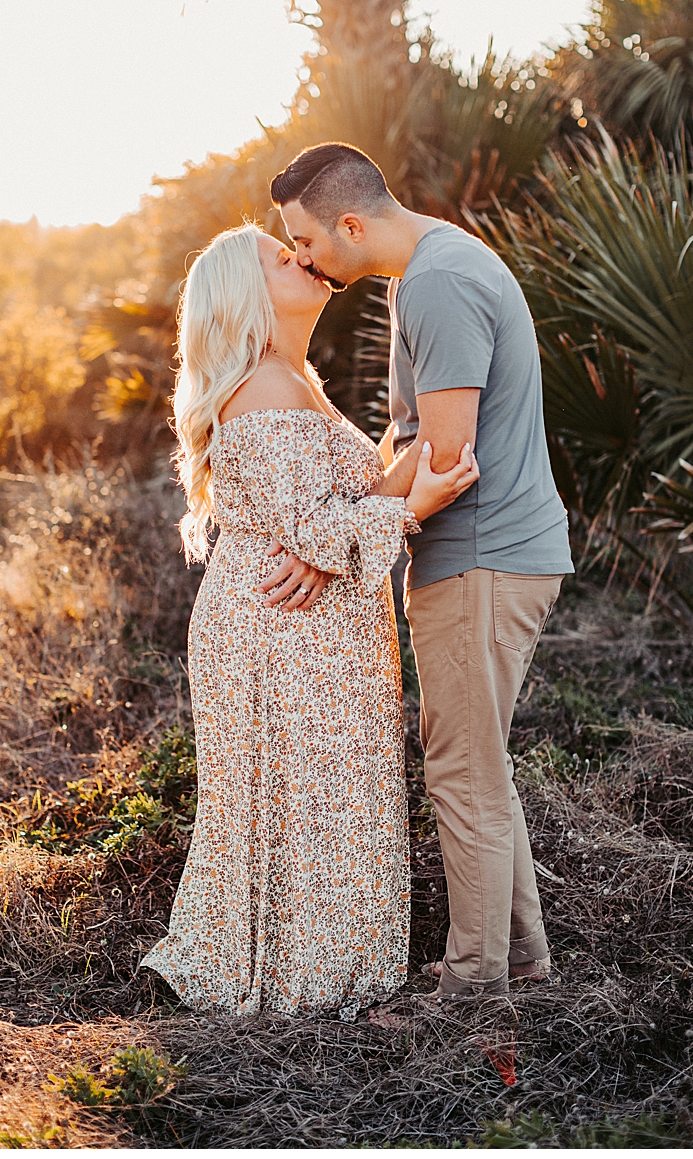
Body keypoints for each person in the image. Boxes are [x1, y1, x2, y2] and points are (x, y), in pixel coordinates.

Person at [140, 223, 478, 1019]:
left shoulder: (297, 380)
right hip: (275, 628)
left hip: (306, 625)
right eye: (278, 255)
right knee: (308, 804)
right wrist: (416, 503)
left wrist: (425, 437)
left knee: (329, 798)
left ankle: (329, 968)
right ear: (246, 295)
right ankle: (306, 981)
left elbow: (340, 516)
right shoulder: (262, 387)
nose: (301, 256)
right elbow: (321, 530)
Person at [268, 141, 573, 1000]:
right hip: (476, 555)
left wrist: (333, 542)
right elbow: (410, 442)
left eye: (306, 242)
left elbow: (446, 454)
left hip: (481, 557)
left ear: (352, 223)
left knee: (459, 771)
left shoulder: (438, 280)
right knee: (479, 763)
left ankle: (473, 990)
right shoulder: (425, 270)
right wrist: (352, 520)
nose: (301, 260)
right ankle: (521, 961)